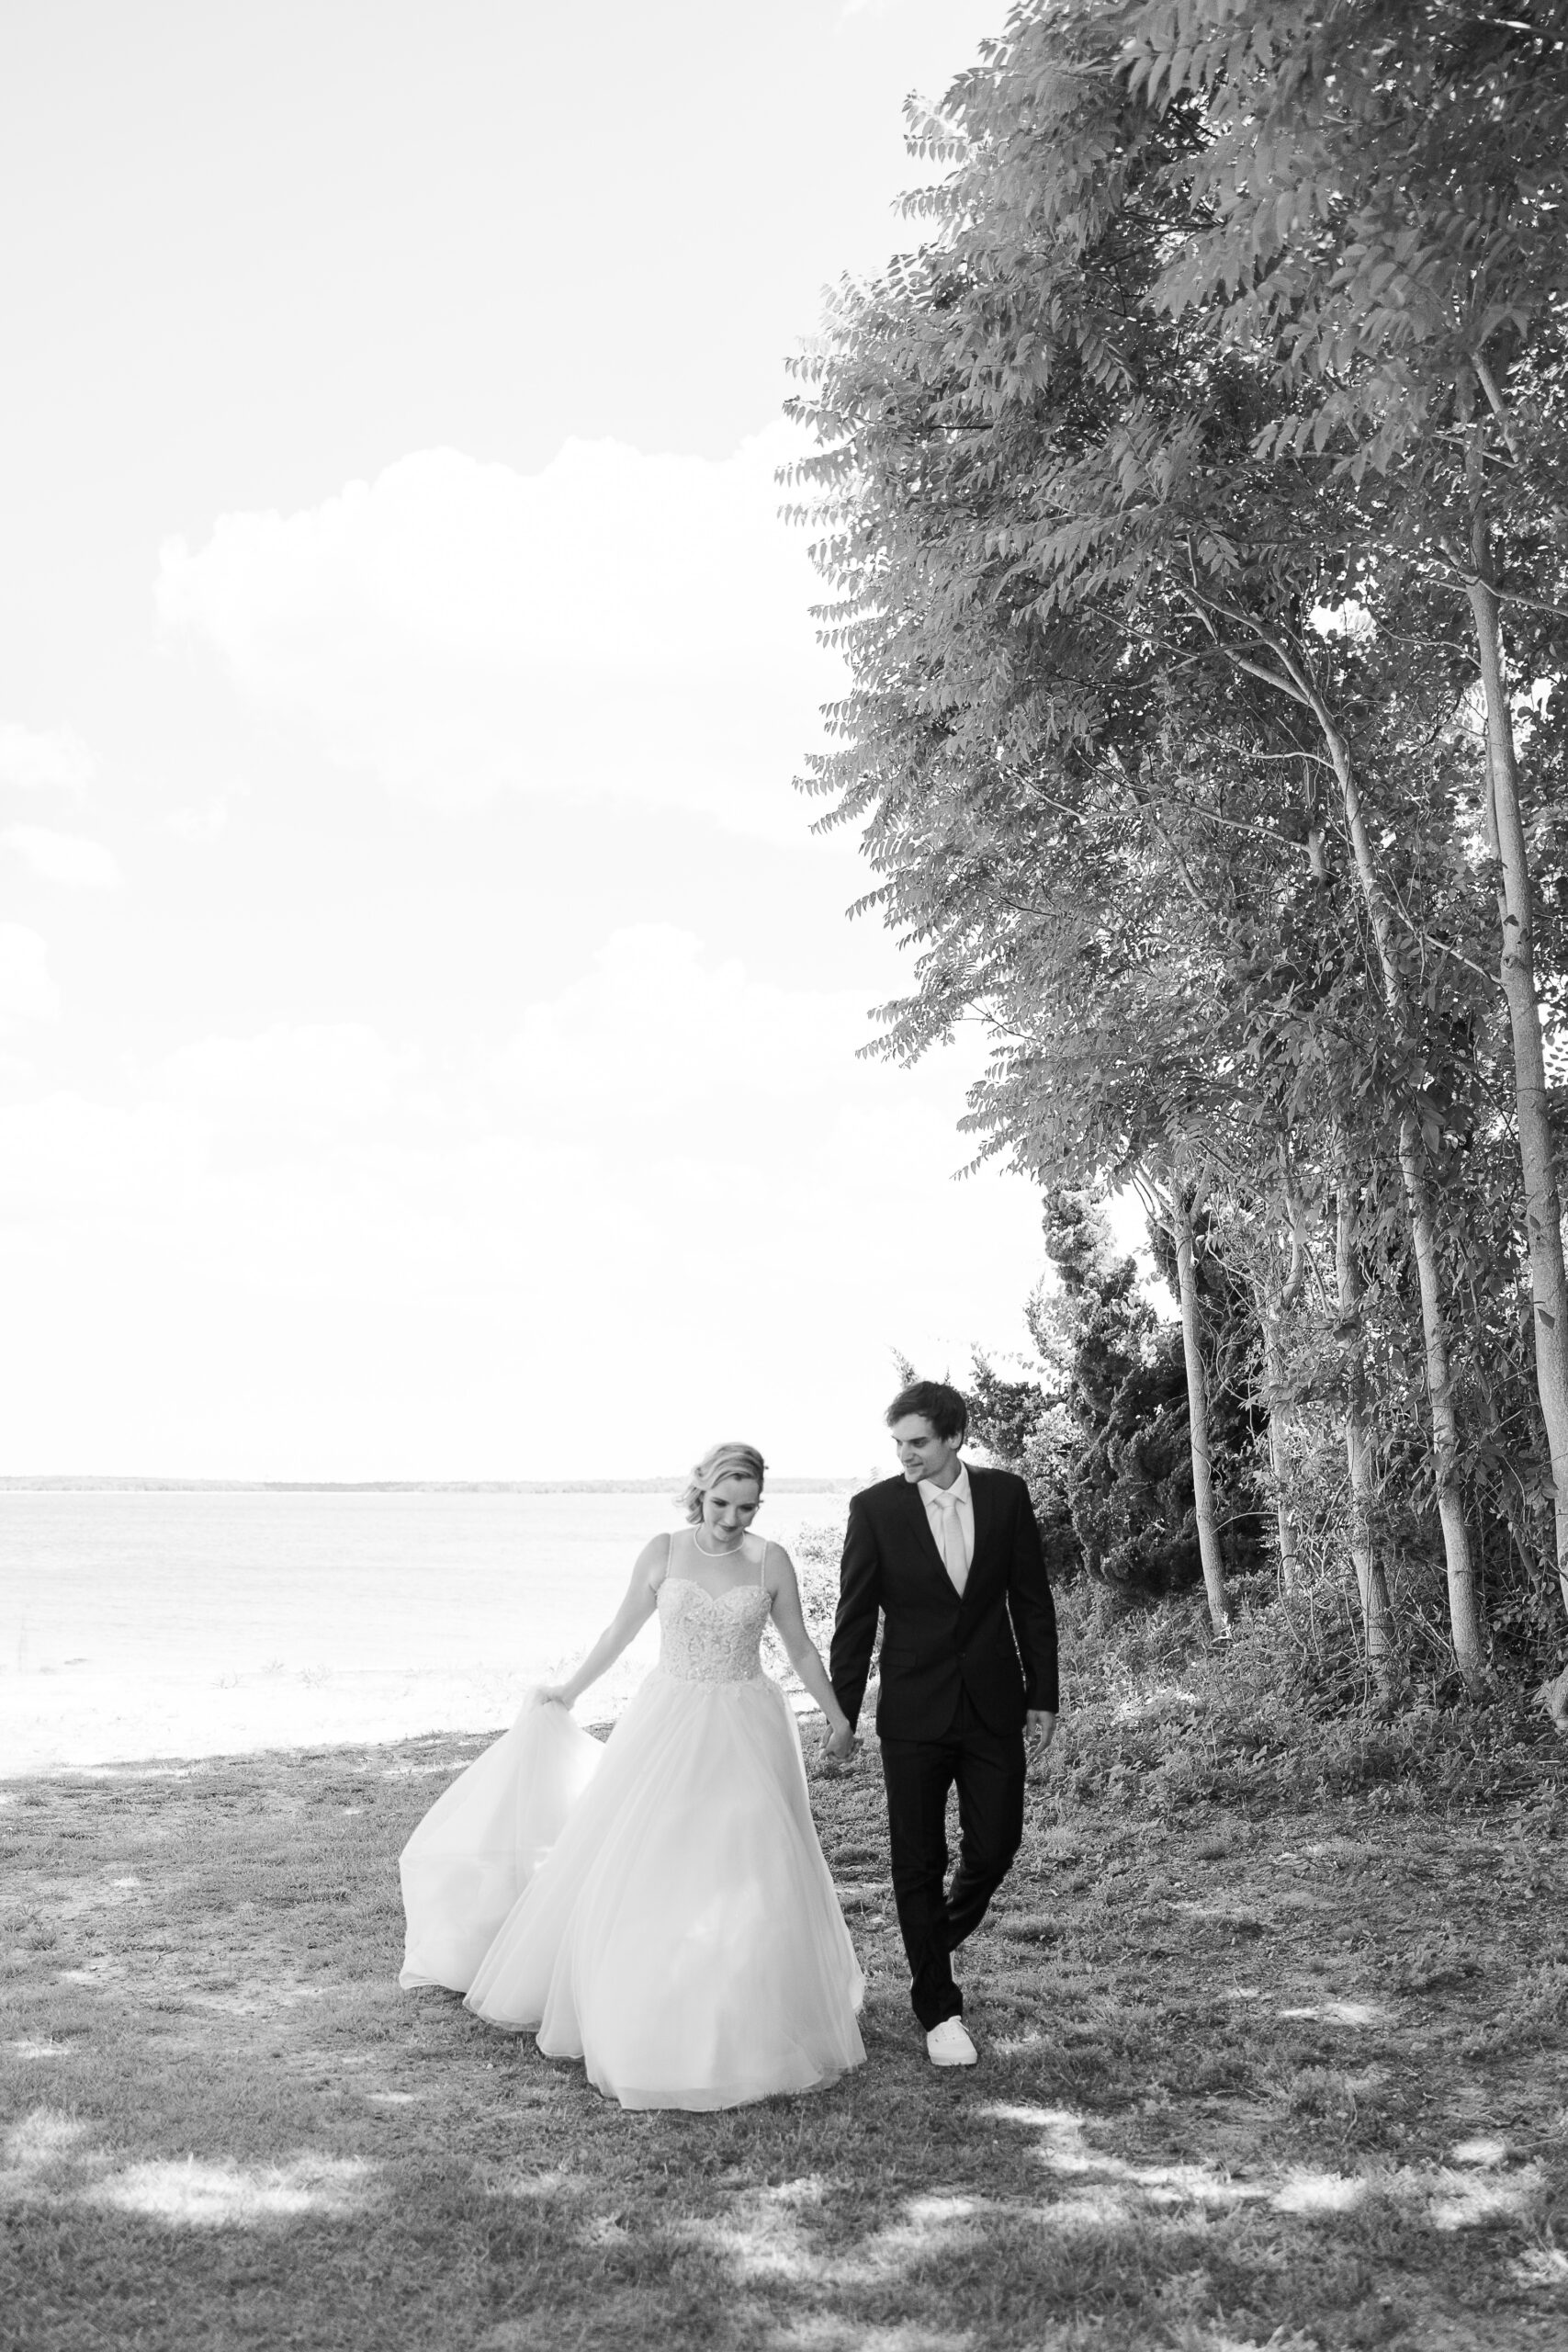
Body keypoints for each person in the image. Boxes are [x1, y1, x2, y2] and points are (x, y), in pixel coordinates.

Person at [398, 1442, 865, 2110]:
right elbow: (619, 1632)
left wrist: (839, 1717)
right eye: (721, 1503)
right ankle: (646, 1986)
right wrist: (568, 1692)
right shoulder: (663, 1552)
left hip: (746, 1724)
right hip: (668, 1720)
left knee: (746, 1854)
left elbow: (799, 1648)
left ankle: (741, 1995)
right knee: (653, 1852)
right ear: (699, 1492)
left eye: (747, 1508)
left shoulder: (771, 1561)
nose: (731, 1520)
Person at [830, 1379, 1059, 2068]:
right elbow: (855, 1619)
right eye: (898, 1443)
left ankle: (928, 1940)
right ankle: (937, 2007)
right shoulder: (875, 1510)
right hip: (912, 1712)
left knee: (995, 1847)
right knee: (917, 1860)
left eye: (918, 1442)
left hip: (992, 1704)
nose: (905, 1454)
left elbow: (1031, 1599)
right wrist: (843, 1713)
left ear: (955, 1436)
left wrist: (1042, 1693)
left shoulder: (1005, 1495)